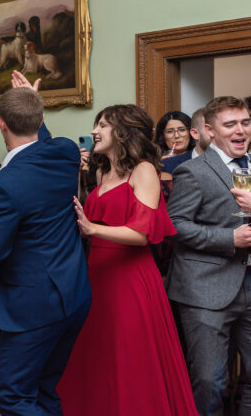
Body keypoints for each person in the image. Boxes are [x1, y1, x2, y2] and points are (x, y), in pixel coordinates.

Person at [0, 72, 90, 416]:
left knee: (14, 396)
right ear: (41, 119)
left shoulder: (4, 184)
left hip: (34, 306)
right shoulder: (64, 153)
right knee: (44, 389)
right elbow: (43, 140)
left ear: (1, 125)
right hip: (73, 294)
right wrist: (32, 103)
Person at [58, 105, 196, 415]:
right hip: (97, 275)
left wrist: (93, 229)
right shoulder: (100, 170)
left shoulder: (144, 170)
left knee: (131, 356)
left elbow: (143, 234)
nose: (95, 131)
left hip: (130, 278)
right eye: (97, 124)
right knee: (98, 354)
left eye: (103, 125)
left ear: (123, 132)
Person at [167, 95, 251, 415]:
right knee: (210, 382)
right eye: (230, 124)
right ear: (209, 130)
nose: (240, 130)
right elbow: (175, 226)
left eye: (245, 122)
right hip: (206, 288)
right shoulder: (193, 171)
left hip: (250, 283)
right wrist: (228, 238)